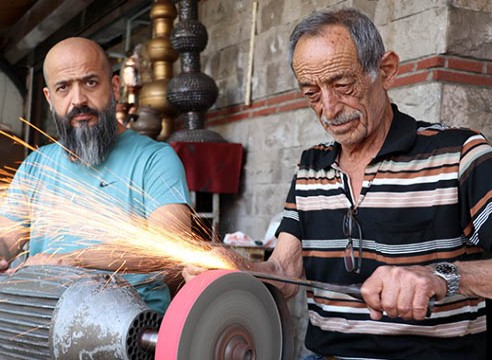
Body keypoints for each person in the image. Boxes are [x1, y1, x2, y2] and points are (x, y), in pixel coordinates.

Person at [185, 8, 491, 360]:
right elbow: (284, 273)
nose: (329, 110)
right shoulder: (311, 167)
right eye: (312, 94)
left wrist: (442, 277)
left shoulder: (459, 154)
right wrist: (239, 268)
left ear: (386, 70)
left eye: (342, 86)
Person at [0, 37, 192, 360]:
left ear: (115, 88)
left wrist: (73, 261)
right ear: (50, 98)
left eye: (90, 83)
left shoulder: (155, 159)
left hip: (119, 324)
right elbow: (3, 239)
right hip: (36, 313)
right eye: (64, 88)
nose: (78, 100)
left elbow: (169, 255)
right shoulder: (37, 165)